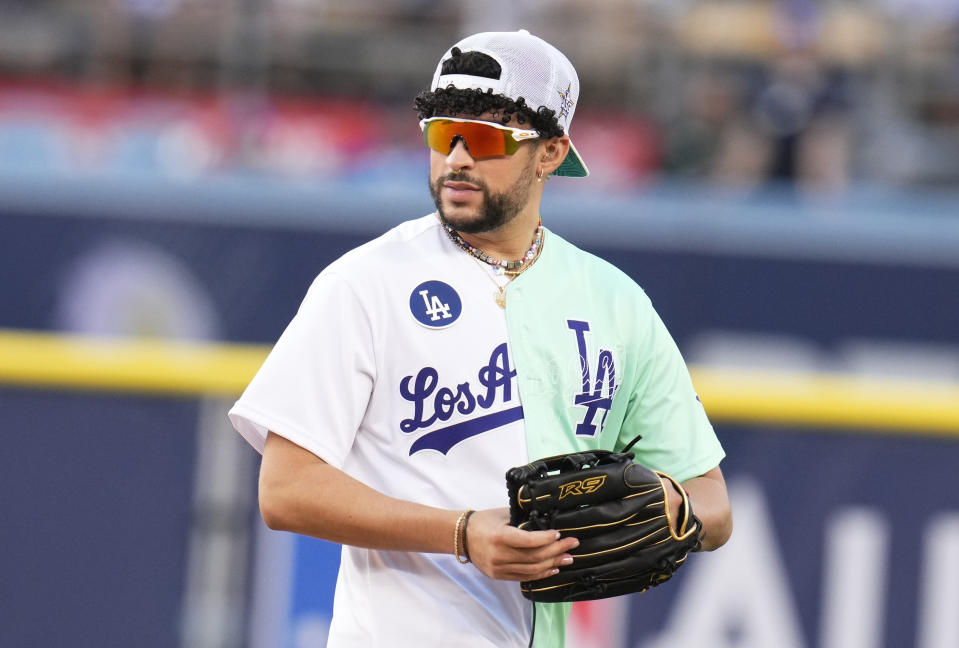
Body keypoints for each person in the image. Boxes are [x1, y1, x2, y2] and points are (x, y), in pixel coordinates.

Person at [229, 29, 732, 648]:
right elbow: (285, 489)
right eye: (443, 132)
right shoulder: (366, 282)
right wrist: (462, 533)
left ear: (550, 153)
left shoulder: (615, 302)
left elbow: (713, 503)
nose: (458, 158)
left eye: (489, 137)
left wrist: (665, 507)